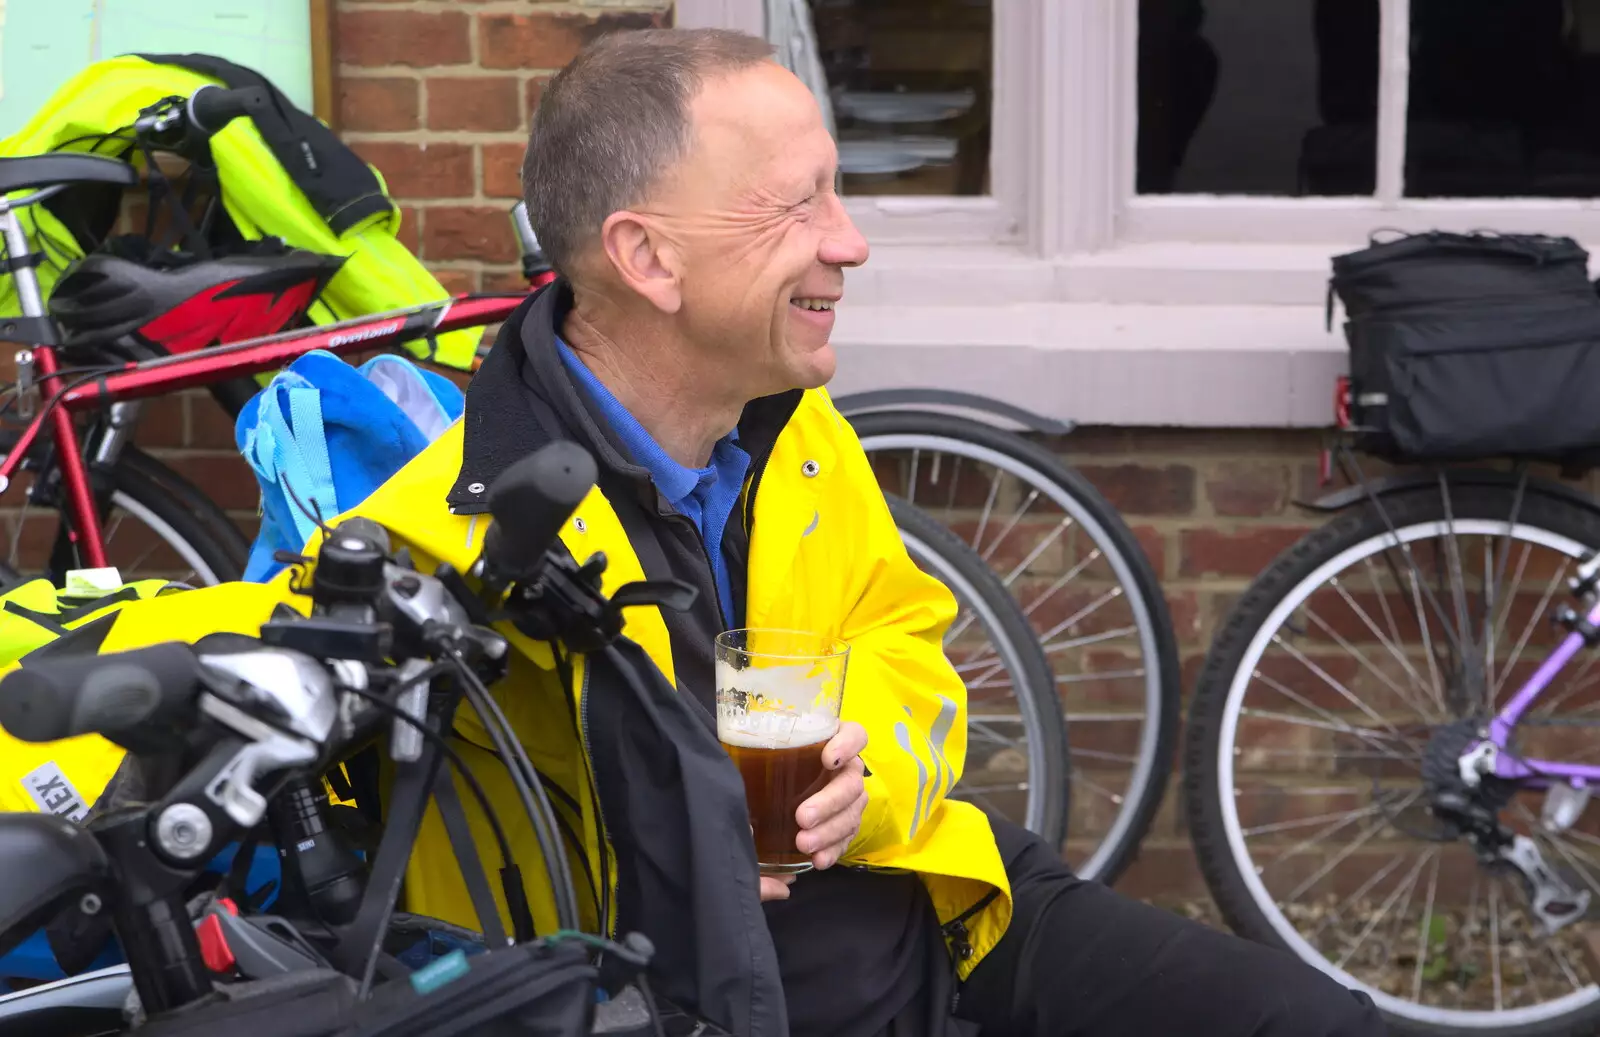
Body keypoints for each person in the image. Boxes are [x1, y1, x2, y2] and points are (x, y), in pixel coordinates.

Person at [65, 26, 1386, 1037]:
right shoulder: (449, 538)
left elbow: (909, 650)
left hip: (950, 917)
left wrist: (865, 765)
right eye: (799, 207)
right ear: (649, 260)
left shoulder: (794, 428)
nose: (851, 243)